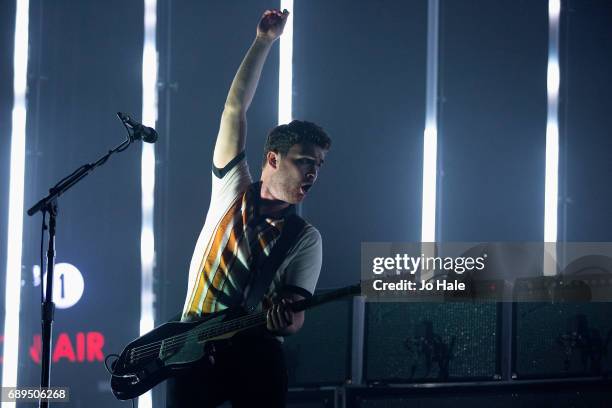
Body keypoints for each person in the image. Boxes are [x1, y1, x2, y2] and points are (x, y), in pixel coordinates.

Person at [166, 8, 331, 408]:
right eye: (304, 162)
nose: (312, 174)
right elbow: (234, 111)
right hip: (190, 346)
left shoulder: (303, 238)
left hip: (252, 353)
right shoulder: (232, 188)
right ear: (272, 159)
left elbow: (295, 313)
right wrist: (263, 42)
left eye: (318, 166)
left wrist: (286, 320)